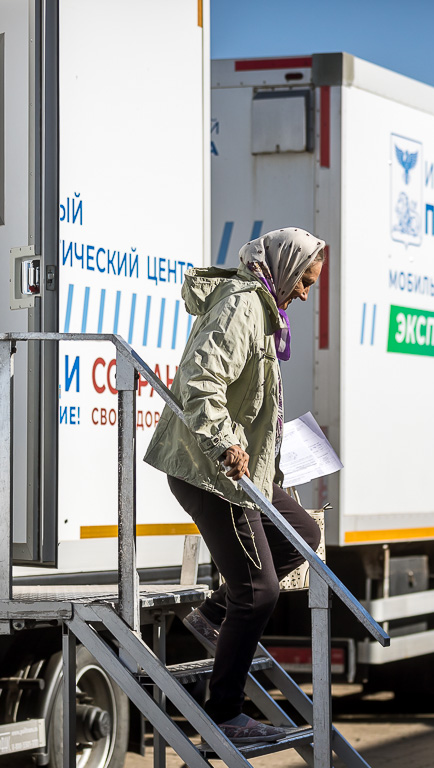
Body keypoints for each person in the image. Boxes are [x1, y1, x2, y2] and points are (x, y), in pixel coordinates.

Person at [144, 227, 325, 745]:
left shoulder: (265, 312)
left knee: (302, 535)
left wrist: (270, 463)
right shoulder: (243, 305)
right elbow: (201, 378)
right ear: (284, 267)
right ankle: (225, 715)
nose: (305, 294)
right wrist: (226, 442)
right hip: (214, 472)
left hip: (244, 471)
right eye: (305, 282)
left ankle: (213, 615)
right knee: (261, 591)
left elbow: (255, 408)